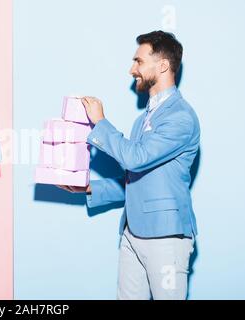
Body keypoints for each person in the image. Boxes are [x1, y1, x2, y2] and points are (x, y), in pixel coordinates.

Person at [58, 31, 200, 300]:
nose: (131, 69)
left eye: (138, 61)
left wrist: (100, 123)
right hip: (132, 232)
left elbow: (135, 158)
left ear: (162, 65)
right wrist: (89, 188)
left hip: (166, 238)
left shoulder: (181, 117)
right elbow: (137, 181)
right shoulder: (142, 120)